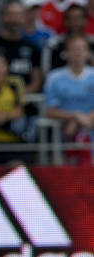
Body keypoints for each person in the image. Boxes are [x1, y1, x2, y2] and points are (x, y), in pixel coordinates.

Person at [45, 35, 94, 165]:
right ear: (66, 53)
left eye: (81, 49)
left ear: (88, 53)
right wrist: (75, 116)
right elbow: (50, 111)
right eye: (74, 49)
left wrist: (87, 119)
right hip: (65, 131)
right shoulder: (54, 78)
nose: (78, 52)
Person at [0, 0, 42, 95]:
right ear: (3, 16)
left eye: (18, 15)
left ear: (24, 17)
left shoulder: (31, 47)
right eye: (11, 14)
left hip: (24, 102)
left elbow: (37, 80)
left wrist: (17, 97)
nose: (14, 19)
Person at [42, 4, 94, 74]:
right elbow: (46, 72)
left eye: (79, 18)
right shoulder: (53, 45)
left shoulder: (92, 43)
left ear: (86, 21)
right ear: (65, 21)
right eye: (71, 18)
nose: (75, 22)